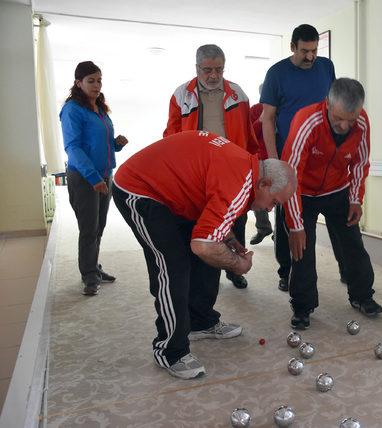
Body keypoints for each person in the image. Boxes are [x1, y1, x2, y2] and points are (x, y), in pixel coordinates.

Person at [112, 130, 296, 379]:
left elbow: (214, 211)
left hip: (176, 192)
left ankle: (200, 320)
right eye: (274, 202)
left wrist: (228, 239)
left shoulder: (247, 170)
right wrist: (237, 265)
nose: (269, 209)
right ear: (263, 184)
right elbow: (203, 246)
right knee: (172, 265)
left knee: (215, 244)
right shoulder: (240, 182)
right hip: (140, 189)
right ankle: (169, 350)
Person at [282, 78, 382, 330]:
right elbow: (290, 174)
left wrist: (356, 199)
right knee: (302, 249)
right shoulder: (307, 122)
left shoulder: (361, 122)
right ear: (327, 104)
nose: (345, 125)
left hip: (337, 190)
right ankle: (303, 306)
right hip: (301, 191)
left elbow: (360, 163)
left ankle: (362, 296)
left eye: (351, 118)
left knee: (353, 244)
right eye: (338, 118)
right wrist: (295, 225)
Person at [261, 23, 347, 293]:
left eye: (313, 50)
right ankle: (286, 271)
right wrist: (274, 162)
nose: (310, 56)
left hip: (324, 158)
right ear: (292, 47)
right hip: (289, 158)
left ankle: (348, 269)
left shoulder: (326, 66)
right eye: (304, 51)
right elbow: (267, 119)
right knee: (288, 217)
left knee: (339, 217)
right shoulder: (277, 73)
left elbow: (335, 107)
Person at [164, 44, 258, 289]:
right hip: (196, 172)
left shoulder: (238, 94)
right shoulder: (181, 95)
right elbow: (171, 135)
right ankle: (204, 268)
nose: (214, 75)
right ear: (197, 68)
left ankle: (235, 268)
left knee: (235, 220)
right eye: (207, 70)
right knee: (204, 220)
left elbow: (248, 135)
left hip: (232, 169)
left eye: (219, 69)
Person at [59, 60, 129, 296]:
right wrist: (93, 177)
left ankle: (94, 267)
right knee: (88, 228)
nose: (97, 85)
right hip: (85, 178)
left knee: (99, 227)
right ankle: (89, 276)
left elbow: (99, 144)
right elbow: (73, 148)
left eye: (99, 80)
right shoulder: (72, 110)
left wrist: (116, 144)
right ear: (78, 83)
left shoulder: (99, 108)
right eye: (91, 81)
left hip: (104, 175)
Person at [248, 84, 274, 245]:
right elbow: (249, 134)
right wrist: (261, 120)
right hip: (259, 160)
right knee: (258, 194)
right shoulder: (255, 109)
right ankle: (263, 227)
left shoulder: (283, 109)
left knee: (280, 195)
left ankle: (282, 233)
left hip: (278, 158)